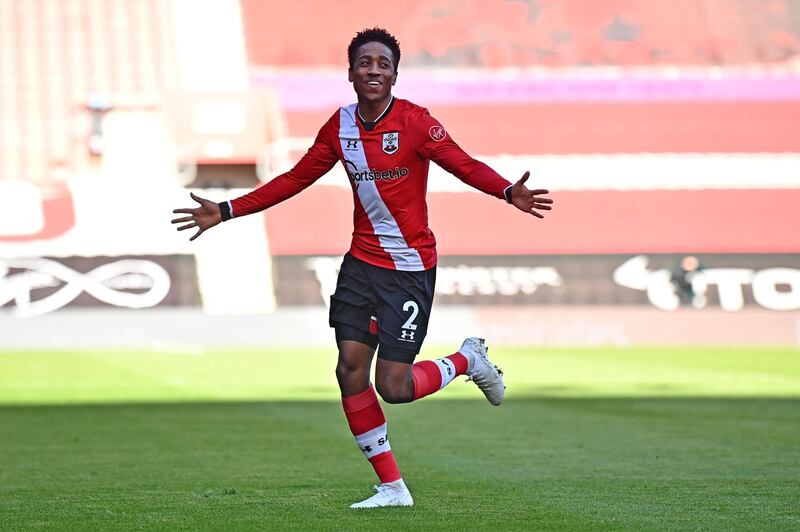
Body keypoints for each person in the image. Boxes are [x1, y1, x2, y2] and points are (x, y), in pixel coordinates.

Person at [171, 28, 553, 509]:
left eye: (383, 63)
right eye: (365, 62)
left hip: (409, 268)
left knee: (393, 387)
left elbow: (461, 163)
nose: (374, 69)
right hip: (360, 266)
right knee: (350, 371)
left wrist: (506, 191)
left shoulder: (416, 122)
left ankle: (466, 360)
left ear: (395, 73)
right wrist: (228, 209)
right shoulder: (340, 126)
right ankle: (393, 488)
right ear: (350, 72)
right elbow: (295, 178)